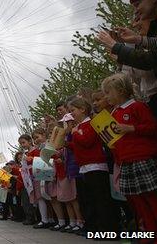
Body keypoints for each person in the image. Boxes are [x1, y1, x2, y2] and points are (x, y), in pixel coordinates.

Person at [102, 73, 157, 237]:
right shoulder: (113, 114)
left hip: (142, 158)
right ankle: (148, 232)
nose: (106, 97)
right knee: (137, 202)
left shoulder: (137, 107)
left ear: (120, 90)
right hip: (125, 161)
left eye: (108, 92)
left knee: (151, 199)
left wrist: (132, 128)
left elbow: (153, 127)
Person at [67, 97, 119, 234]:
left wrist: (75, 134)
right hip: (85, 167)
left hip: (96, 165)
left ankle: (107, 229)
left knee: (101, 200)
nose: (72, 114)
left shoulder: (90, 124)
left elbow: (87, 141)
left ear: (83, 109)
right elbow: (80, 146)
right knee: (89, 200)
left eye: (73, 110)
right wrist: (68, 144)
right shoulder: (79, 127)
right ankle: (93, 227)